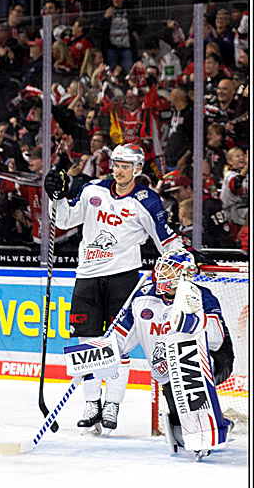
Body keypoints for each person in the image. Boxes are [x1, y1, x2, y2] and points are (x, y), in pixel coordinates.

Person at [45, 142, 184, 432]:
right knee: (86, 342)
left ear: (138, 169)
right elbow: (65, 219)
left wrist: (185, 257)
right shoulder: (93, 189)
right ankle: (91, 402)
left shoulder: (146, 201)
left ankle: (113, 403)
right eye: (117, 164)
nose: (120, 170)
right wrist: (55, 196)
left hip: (124, 278)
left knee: (117, 345)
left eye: (126, 166)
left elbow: (166, 241)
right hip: (87, 276)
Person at [110, 251, 233, 458]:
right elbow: (121, 339)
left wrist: (191, 323)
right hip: (169, 371)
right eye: (161, 266)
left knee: (187, 365)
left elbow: (217, 338)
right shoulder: (143, 297)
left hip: (214, 359)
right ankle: (219, 423)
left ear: (183, 274)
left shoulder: (201, 295)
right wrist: (98, 356)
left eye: (169, 268)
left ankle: (208, 423)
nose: (161, 272)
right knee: (181, 429)